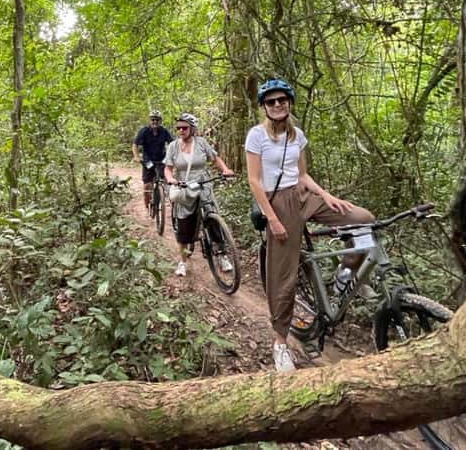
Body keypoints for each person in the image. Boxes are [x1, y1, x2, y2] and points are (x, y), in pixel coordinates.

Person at [245, 79, 374, 373]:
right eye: (271, 102)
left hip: (304, 195)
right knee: (284, 277)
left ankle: (346, 273)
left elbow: (302, 175)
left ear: (289, 102)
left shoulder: (297, 134)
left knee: (363, 219)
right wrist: (274, 219)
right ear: (264, 107)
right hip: (277, 202)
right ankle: (280, 343)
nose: (277, 105)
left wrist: (326, 196)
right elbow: (254, 181)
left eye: (282, 100)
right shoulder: (257, 136)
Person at [164, 113, 235, 277]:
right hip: (184, 186)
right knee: (184, 224)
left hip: (203, 183)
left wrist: (225, 170)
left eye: (185, 128)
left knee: (212, 217)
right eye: (178, 128)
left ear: (192, 129)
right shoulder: (173, 146)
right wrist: (170, 178)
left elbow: (215, 158)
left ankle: (222, 255)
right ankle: (183, 261)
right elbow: (167, 167)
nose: (181, 130)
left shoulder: (201, 143)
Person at [132, 109, 173, 214]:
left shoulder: (164, 131)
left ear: (160, 121)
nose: (155, 122)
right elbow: (135, 144)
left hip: (161, 159)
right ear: (150, 121)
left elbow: (172, 144)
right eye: (153, 120)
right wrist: (136, 156)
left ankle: (164, 198)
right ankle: (147, 206)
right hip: (148, 160)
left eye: (157, 120)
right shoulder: (144, 131)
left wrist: (172, 156)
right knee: (147, 185)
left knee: (167, 180)